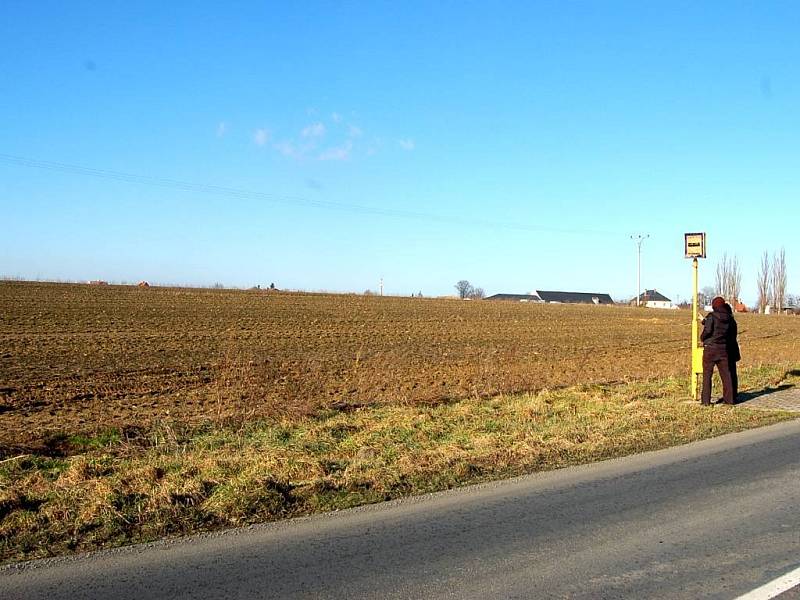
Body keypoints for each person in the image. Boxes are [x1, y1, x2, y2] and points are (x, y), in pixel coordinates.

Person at [700, 296, 736, 405]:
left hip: (710, 350)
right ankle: (729, 400)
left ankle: (706, 401)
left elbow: (708, 330)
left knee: (707, 375)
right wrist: (704, 321)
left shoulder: (712, 316)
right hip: (723, 350)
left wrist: (702, 338)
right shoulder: (729, 318)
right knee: (726, 376)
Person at [723, 302, 741, 401]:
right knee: (733, 373)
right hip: (734, 349)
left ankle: (730, 396)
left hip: (728, 350)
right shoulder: (733, 321)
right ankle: (733, 394)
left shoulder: (728, 322)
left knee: (728, 374)